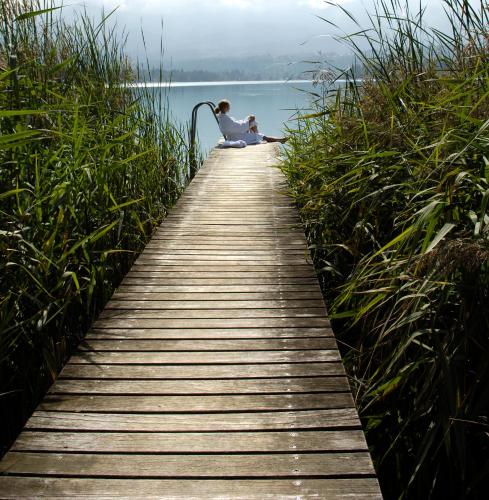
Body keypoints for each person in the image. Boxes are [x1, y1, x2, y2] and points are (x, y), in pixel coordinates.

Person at [214, 99, 288, 145]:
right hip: (236, 137)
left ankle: (259, 136)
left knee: (252, 121)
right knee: (259, 134)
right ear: (225, 108)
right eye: (229, 107)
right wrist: (247, 122)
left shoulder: (223, 117)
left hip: (235, 134)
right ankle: (279, 140)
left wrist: (247, 121)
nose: (229, 108)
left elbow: (234, 125)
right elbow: (235, 127)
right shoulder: (224, 118)